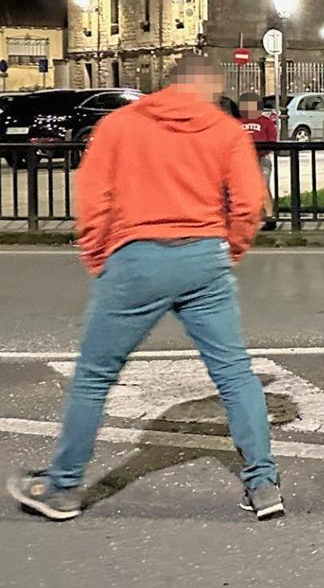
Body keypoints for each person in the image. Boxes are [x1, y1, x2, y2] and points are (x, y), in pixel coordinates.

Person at [7, 53, 283, 521]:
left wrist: (99, 256)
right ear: (209, 88)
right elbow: (249, 203)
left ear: (168, 83)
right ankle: (263, 483)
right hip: (204, 257)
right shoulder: (225, 132)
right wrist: (227, 251)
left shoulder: (121, 125)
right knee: (234, 373)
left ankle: (62, 489)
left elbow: (93, 200)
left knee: (95, 377)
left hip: (136, 258)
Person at [239, 91, 279, 231]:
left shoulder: (265, 122)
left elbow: (272, 141)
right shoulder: (238, 122)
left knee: (263, 186)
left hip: (262, 158)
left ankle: (269, 216)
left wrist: (261, 152)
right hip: (242, 160)